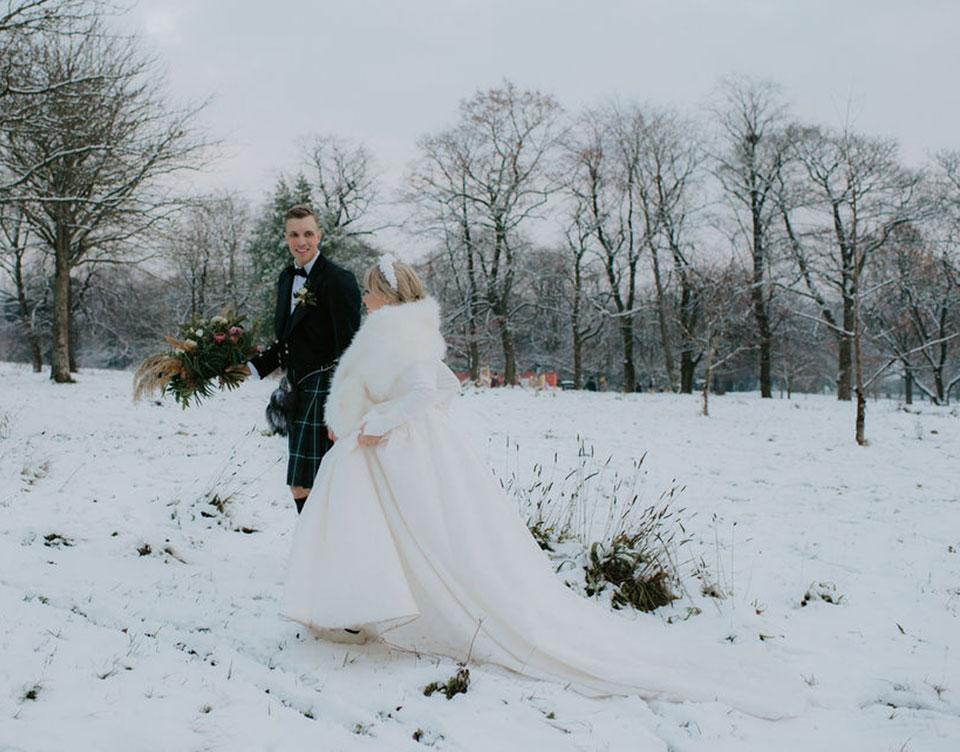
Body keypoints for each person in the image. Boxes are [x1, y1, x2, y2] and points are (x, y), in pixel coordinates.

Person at [280, 257, 807, 719]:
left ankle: (380, 608)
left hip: (404, 449)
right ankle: (363, 606)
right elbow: (445, 385)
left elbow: (426, 388)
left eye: (372, 291)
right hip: (397, 447)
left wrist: (382, 421)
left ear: (390, 296)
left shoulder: (400, 333)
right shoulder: (400, 331)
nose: (365, 298)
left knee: (434, 537)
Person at [242, 204, 362, 514]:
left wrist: (343, 410)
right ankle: (319, 552)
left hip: (326, 389)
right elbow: (287, 341)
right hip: (297, 389)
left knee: (312, 482)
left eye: (308, 233)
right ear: (285, 237)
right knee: (305, 483)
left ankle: (320, 553)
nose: (301, 241)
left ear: (319, 235)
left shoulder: (338, 279)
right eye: (294, 234)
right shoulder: (285, 278)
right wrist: (251, 367)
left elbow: (351, 347)